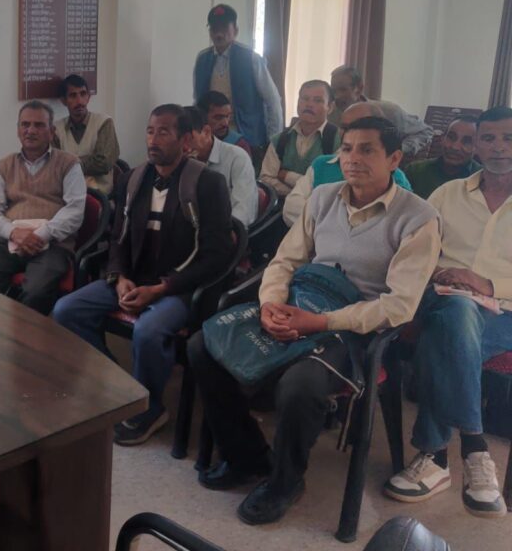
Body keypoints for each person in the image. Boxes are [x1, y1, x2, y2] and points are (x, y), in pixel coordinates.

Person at [188, 116, 440, 526]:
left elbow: (398, 307)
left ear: (394, 158)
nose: (352, 159)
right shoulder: (323, 197)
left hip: (354, 327)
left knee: (299, 385)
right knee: (205, 344)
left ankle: (285, 482)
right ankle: (247, 455)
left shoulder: (418, 217)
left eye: (367, 150)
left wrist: (320, 323)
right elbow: (285, 260)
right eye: (347, 149)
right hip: (300, 301)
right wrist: (271, 304)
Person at [54, 105, 234, 444]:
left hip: (180, 287)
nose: (153, 140)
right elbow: (117, 238)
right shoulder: (133, 178)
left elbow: (217, 255)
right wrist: (119, 277)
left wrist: (163, 288)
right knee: (66, 310)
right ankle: (120, 386)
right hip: (133, 278)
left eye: (164, 132)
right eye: (150, 131)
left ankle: (150, 409)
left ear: (185, 140)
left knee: (148, 331)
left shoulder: (208, 183)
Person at [384, 107, 512, 518]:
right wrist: (436, 274)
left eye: (508, 138)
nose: (499, 147)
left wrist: (487, 284)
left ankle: (435, 456)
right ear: (476, 146)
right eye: (488, 138)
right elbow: (416, 250)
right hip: (443, 296)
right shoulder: (447, 195)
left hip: (506, 313)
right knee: (456, 311)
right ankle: (474, 446)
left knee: (445, 336)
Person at [0, 101, 86, 314]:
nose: (31, 130)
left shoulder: (69, 163)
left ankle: (26, 334)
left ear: (51, 131)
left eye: (39, 125)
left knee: (36, 292)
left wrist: (40, 235)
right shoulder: (5, 165)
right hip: (8, 241)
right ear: (18, 130)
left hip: (53, 245)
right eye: (25, 125)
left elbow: (75, 210)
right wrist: (14, 233)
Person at [281, 102, 413, 227]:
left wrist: (321, 219)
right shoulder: (322, 165)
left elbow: (392, 224)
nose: (349, 133)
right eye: (344, 127)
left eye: (359, 126)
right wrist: (332, 229)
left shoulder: (395, 178)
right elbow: (291, 207)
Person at [193, 4, 283, 150]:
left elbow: (272, 101)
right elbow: (198, 101)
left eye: (224, 28)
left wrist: (273, 142)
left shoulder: (251, 58)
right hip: (211, 140)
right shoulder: (202, 59)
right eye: (214, 29)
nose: (219, 34)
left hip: (247, 139)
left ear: (235, 30)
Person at [328, 65, 432, 157]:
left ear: (359, 89)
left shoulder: (389, 112)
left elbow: (424, 131)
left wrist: (398, 149)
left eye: (343, 90)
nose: (337, 96)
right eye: (333, 91)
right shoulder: (329, 115)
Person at [260, 80, 336, 198]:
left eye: (317, 100)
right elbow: (266, 179)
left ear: (330, 107)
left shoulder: (340, 141)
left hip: (323, 207)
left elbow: (331, 185)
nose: (309, 104)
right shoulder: (279, 140)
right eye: (304, 98)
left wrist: (287, 176)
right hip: (284, 206)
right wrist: (296, 195)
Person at [185, 105, 257, 226]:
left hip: (225, 230)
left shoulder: (236, 157)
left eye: (189, 139)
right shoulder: (180, 160)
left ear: (206, 132)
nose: (185, 147)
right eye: (180, 141)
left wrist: (225, 231)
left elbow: (243, 210)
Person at [53, 74, 120, 195]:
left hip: (99, 196)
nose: (79, 101)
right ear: (63, 101)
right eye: (73, 95)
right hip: (67, 195)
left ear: (88, 97)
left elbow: (104, 163)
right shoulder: (56, 129)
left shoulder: (104, 123)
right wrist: (86, 161)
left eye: (83, 94)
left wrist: (69, 164)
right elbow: (55, 167)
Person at [404, 116, 481, 199]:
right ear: (442, 138)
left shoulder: (482, 179)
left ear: (477, 147)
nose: (455, 147)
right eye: (451, 137)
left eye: (467, 141)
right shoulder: (415, 171)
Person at [198, 90, 254, 157]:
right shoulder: (192, 143)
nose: (225, 123)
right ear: (203, 117)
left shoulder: (239, 145)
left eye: (227, 116)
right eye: (218, 117)